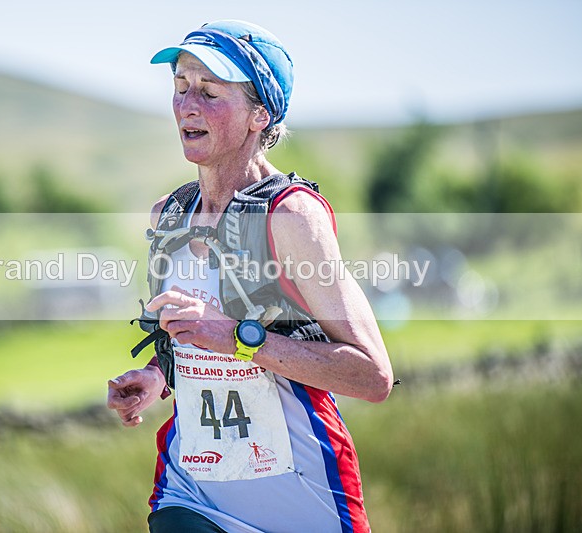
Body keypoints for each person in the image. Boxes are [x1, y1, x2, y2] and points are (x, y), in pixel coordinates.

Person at [107, 20, 393, 533]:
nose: (187, 105)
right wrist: (157, 375)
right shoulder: (167, 216)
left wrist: (235, 337)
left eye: (210, 91)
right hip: (191, 490)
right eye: (180, 86)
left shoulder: (291, 217)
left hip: (301, 497)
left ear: (260, 115)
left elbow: (371, 376)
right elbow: (191, 338)